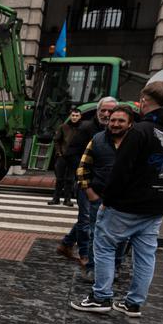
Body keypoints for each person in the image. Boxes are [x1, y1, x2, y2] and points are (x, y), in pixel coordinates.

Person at [71, 81, 163, 318]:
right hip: (157, 205)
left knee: (104, 246)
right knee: (146, 254)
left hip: (126, 204)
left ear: (145, 100)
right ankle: (134, 302)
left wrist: (108, 199)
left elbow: (121, 170)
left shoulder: (140, 131)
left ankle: (101, 296)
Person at [75, 104, 134, 278]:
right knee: (96, 233)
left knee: (122, 237)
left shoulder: (137, 141)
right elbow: (83, 167)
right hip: (99, 197)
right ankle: (93, 268)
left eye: (120, 121)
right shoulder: (98, 139)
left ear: (130, 123)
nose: (115, 124)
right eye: (112, 120)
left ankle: (115, 267)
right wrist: (90, 193)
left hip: (125, 200)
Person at [56, 96, 117, 265]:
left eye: (110, 111)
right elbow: (71, 153)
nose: (106, 114)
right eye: (102, 110)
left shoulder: (116, 131)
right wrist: (84, 172)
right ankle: (85, 255)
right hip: (87, 182)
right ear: (97, 112)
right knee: (86, 219)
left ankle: (66, 243)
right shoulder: (86, 128)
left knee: (91, 218)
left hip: (104, 183)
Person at [49, 107, 82, 205]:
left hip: (74, 156)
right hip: (62, 156)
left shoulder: (82, 128)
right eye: (73, 115)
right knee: (59, 178)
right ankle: (56, 198)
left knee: (70, 179)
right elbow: (56, 140)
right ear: (70, 116)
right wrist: (58, 153)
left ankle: (67, 199)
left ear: (80, 117)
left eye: (76, 116)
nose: (74, 117)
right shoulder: (63, 127)